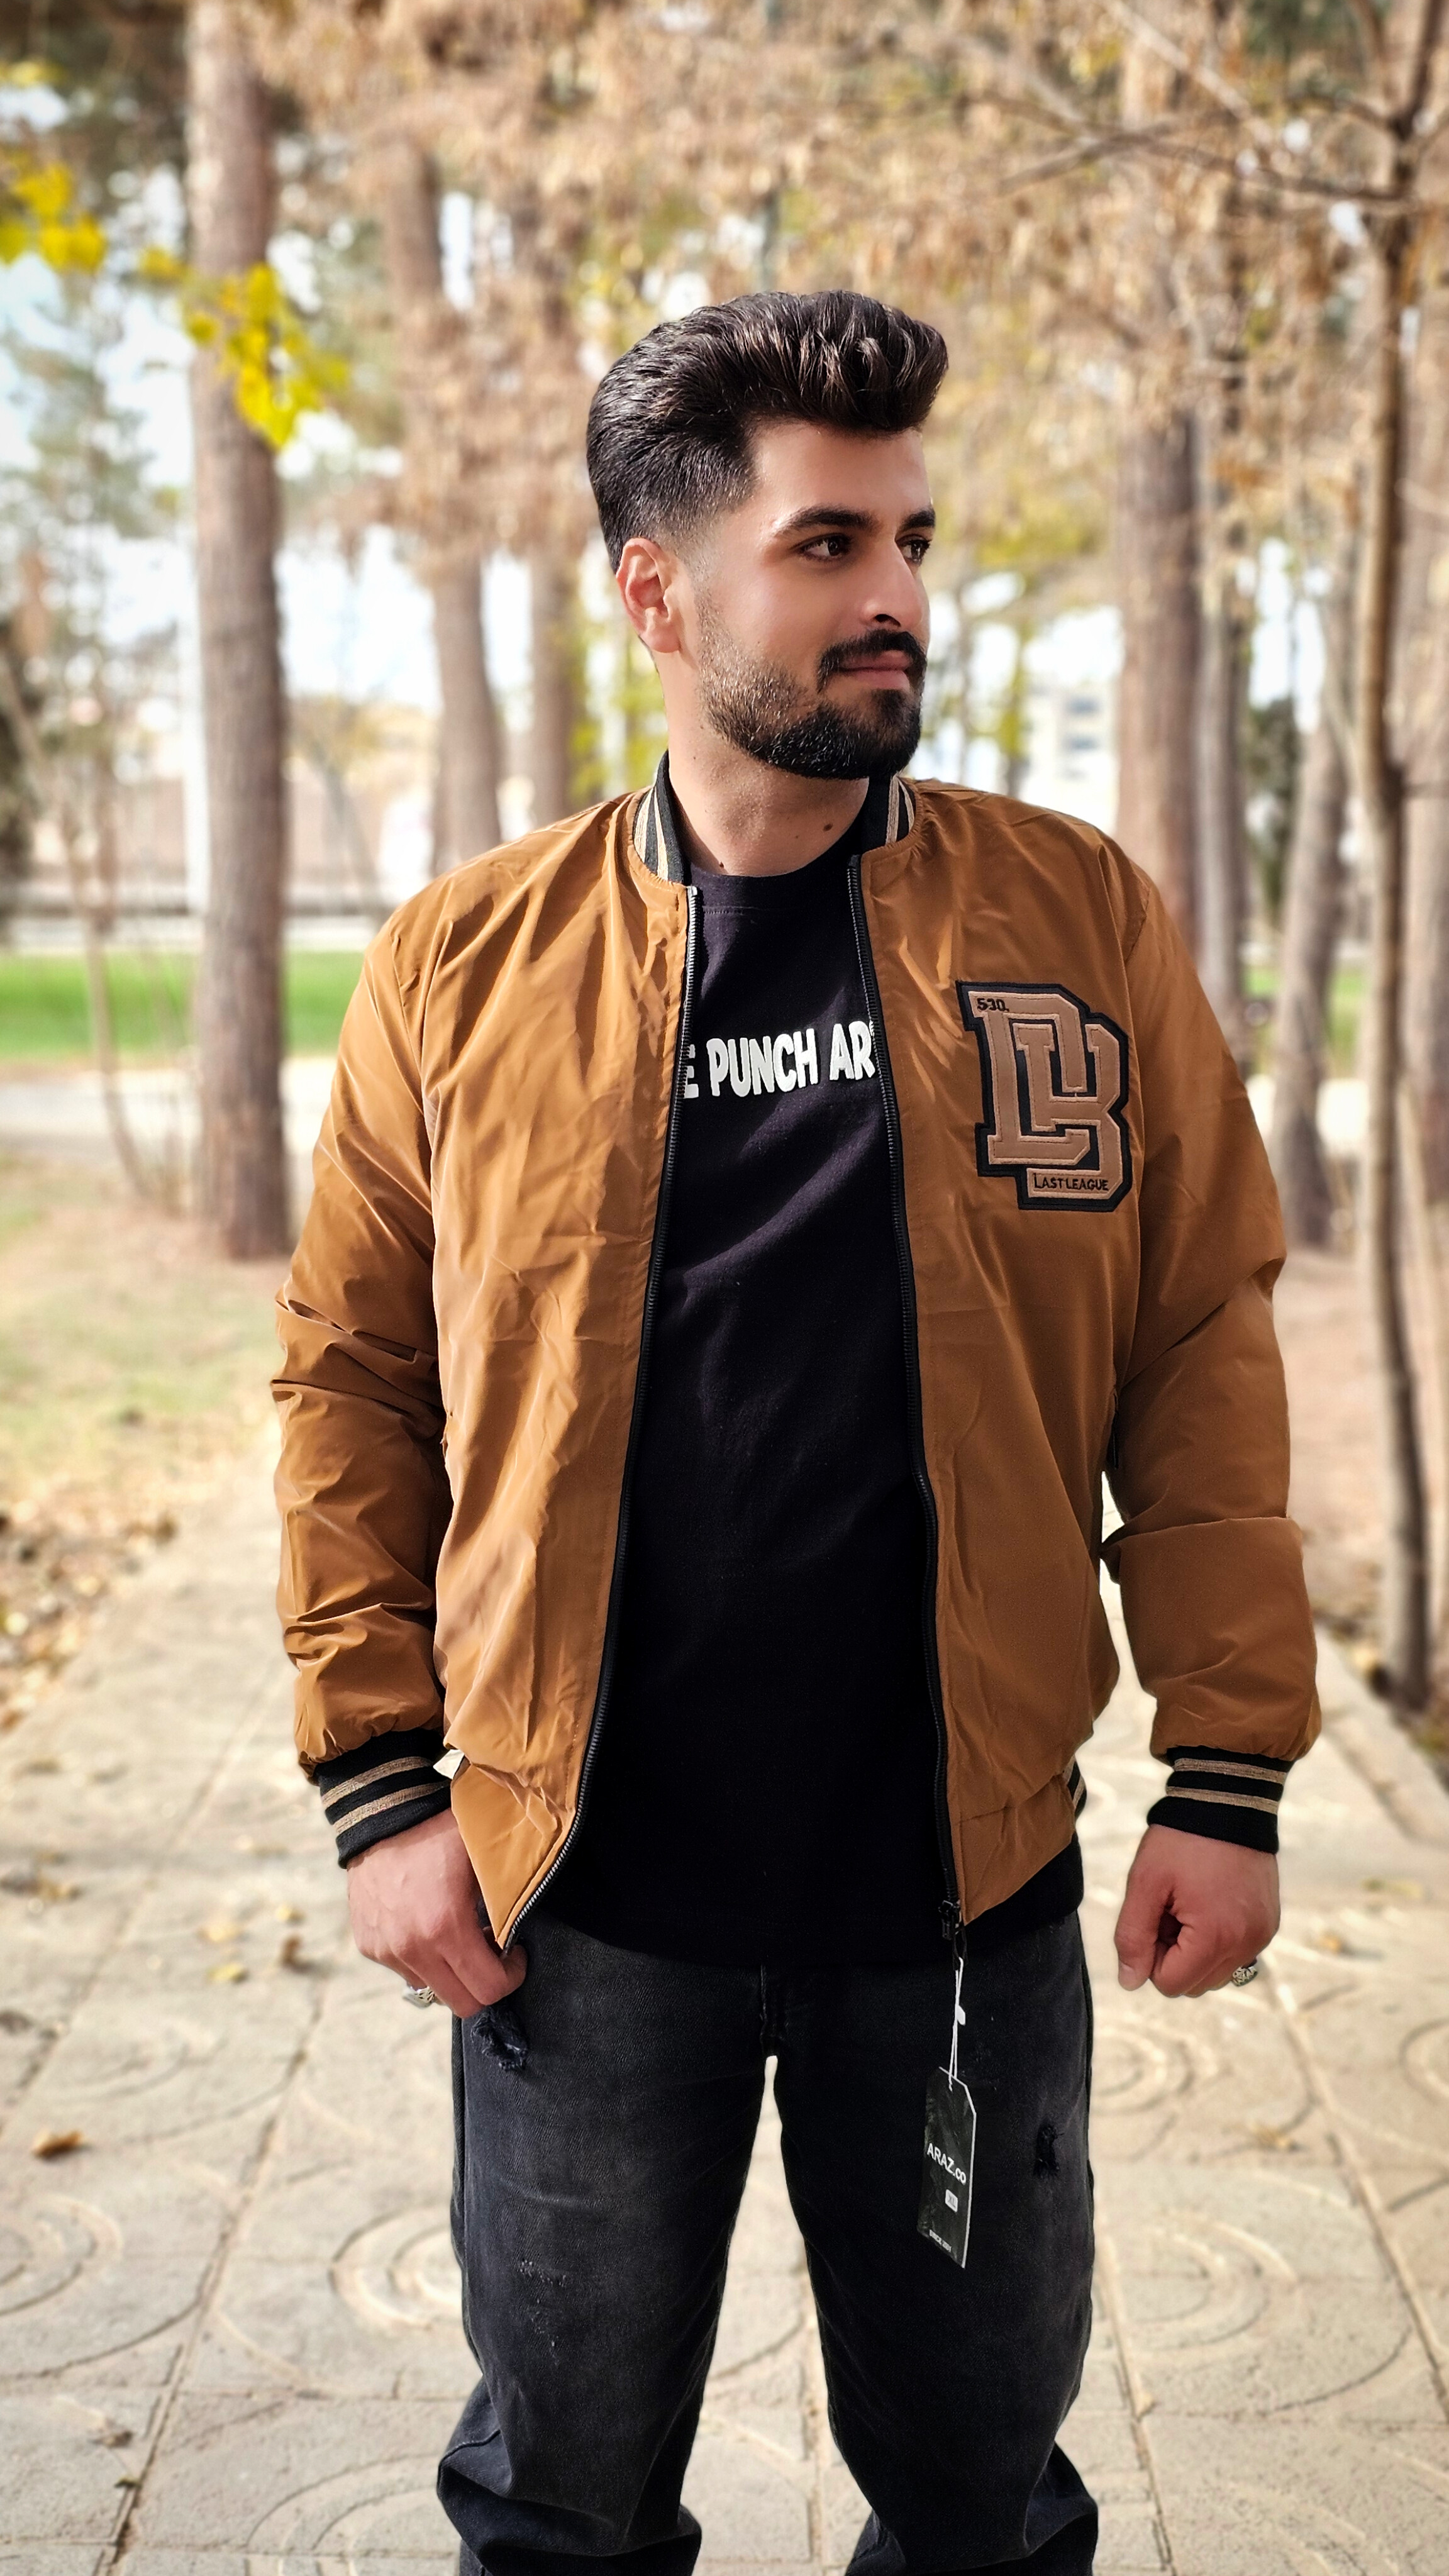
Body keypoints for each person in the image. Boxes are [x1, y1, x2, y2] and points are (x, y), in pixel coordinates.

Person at [273, 289, 1319, 2576]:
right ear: (656, 594)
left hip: (958, 1905)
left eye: (912, 540)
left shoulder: (1075, 921)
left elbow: (1197, 1345)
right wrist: (381, 1788)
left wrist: (1227, 1768)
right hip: (578, 1910)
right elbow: (353, 1384)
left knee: (978, 2507)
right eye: (827, 545)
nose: (897, 598)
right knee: (558, 2508)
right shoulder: (463, 967)